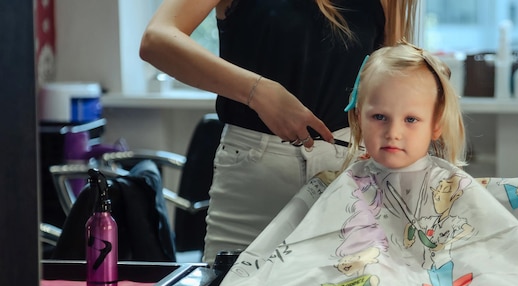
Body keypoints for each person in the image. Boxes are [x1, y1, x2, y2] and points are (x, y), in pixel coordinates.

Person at [198, 42, 518, 286]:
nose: (393, 133)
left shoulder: (450, 184)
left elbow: (493, 245)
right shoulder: (338, 184)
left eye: (410, 120)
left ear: (435, 123)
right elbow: (304, 254)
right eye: (379, 117)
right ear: (357, 118)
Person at [139, 0, 420, 263]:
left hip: (349, 176)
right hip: (254, 175)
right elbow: (157, 39)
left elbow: (387, 84)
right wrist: (258, 92)